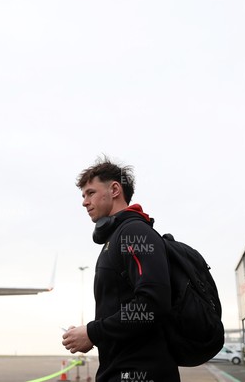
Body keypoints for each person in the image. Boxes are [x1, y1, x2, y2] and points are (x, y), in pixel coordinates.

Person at [62, 156, 179, 382]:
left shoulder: (134, 232)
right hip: (119, 369)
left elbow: (153, 303)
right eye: (83, 195)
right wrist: (90, 335)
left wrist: (93, 332)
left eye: (90, 192)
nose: (84, 202)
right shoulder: (116, 238)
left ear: (115, 189)